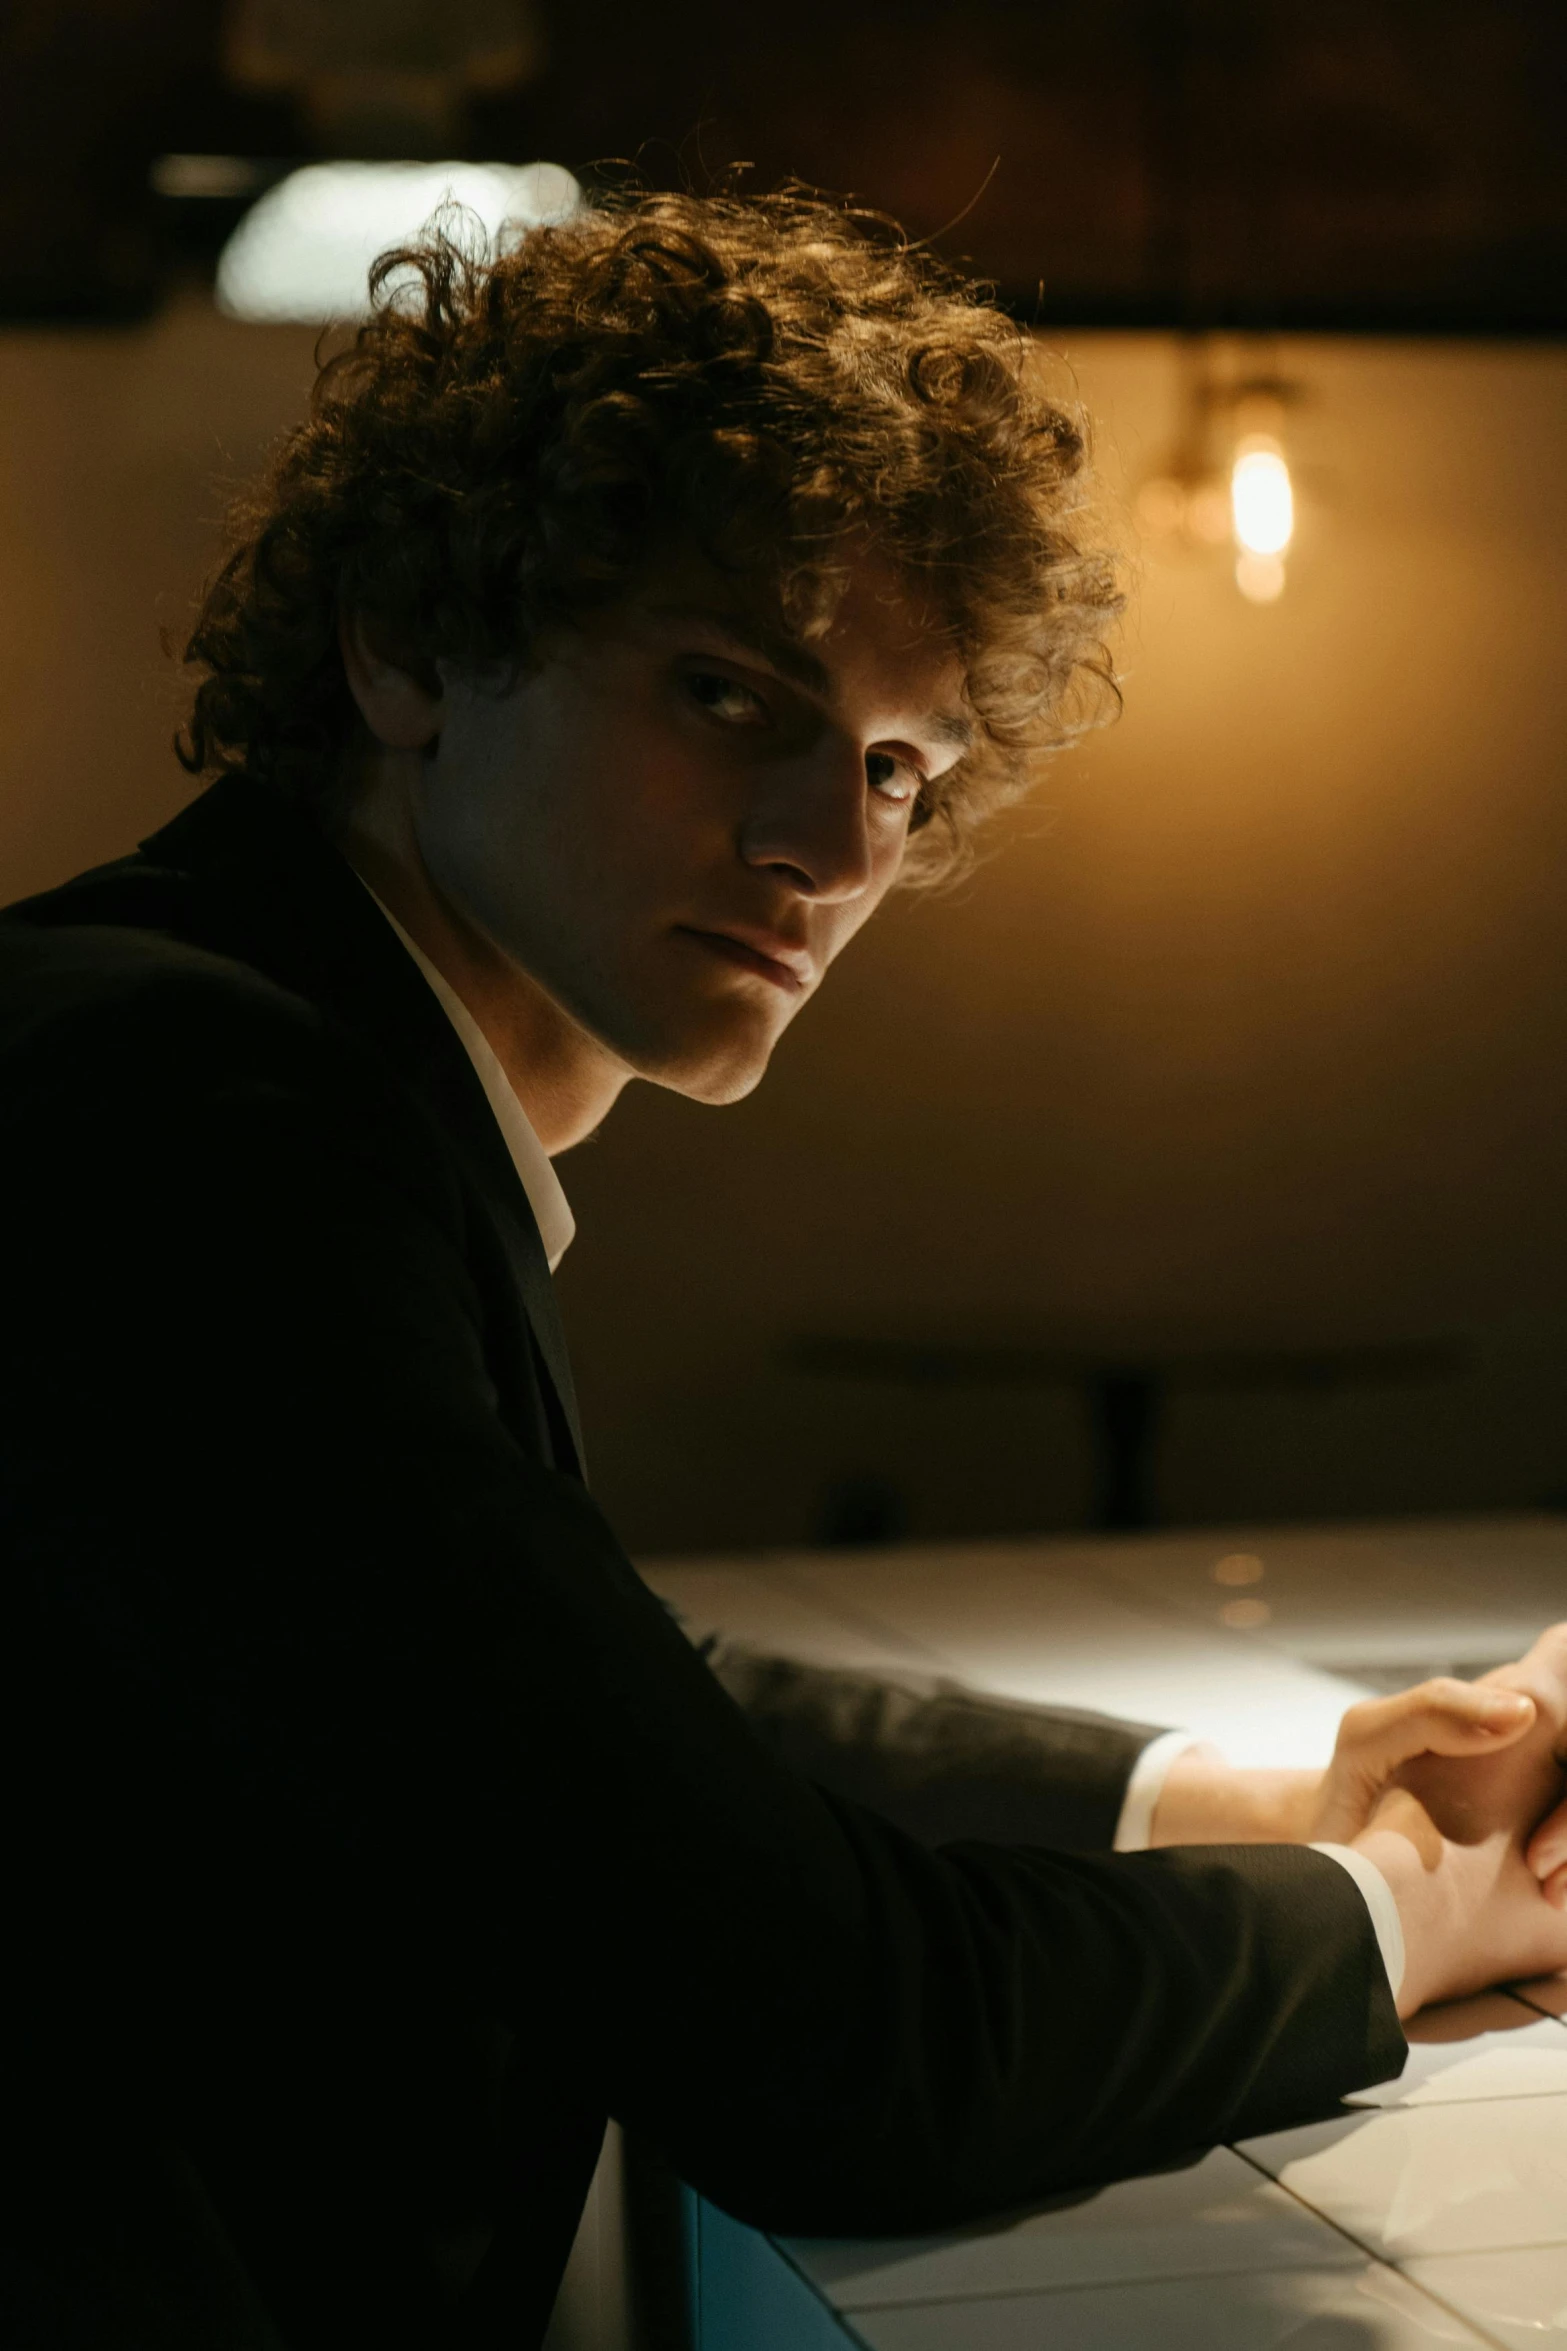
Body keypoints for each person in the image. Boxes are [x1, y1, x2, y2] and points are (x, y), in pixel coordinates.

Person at [1, 188, 1564, 2351]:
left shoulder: (226, 1045)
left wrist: (1258, 1795)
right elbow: (824, 2035)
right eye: (732, 692)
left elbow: (596, 1710)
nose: (834, 852)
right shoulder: (194, 1119)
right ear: (407, 647)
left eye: (899, 770)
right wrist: (1389, 1908)